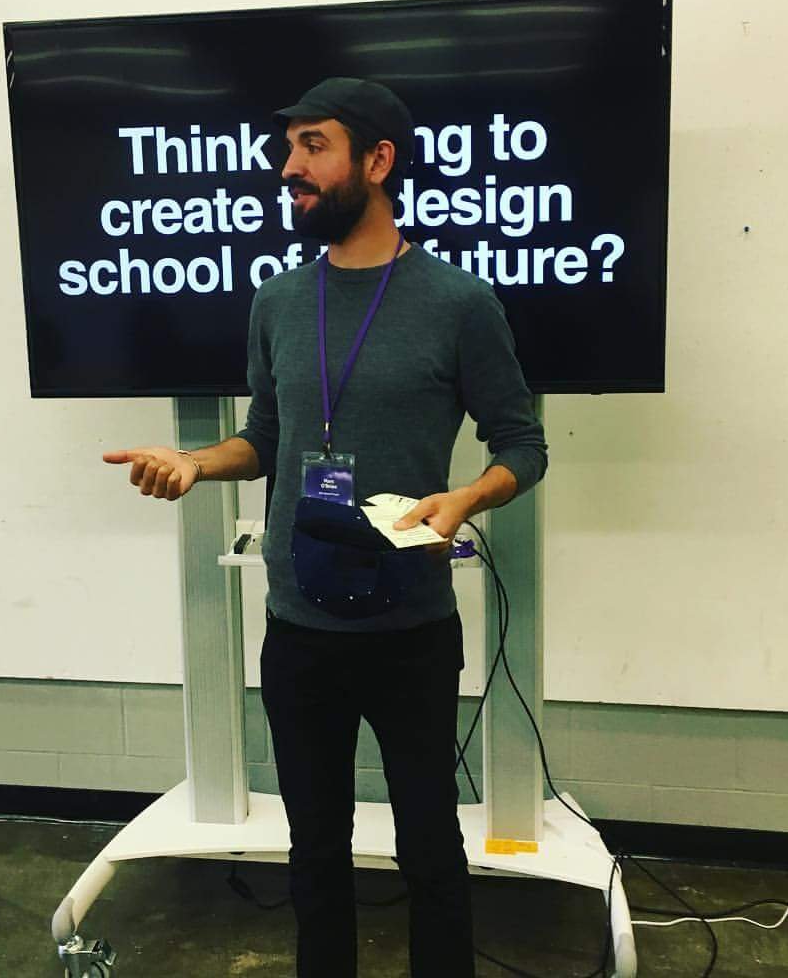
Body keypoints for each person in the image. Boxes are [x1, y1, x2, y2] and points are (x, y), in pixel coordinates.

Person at [103, 77, 548, 978]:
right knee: (314, 852)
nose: (288, 168)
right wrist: (195, 464)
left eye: (313, 147)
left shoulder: (458, 303)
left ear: (378, 161)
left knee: (430, 846)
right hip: (299, 632)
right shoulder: (276, 301)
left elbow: (523, 445)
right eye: (289, 149)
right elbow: (264, 439)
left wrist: (466, 498)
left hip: (411, 632)